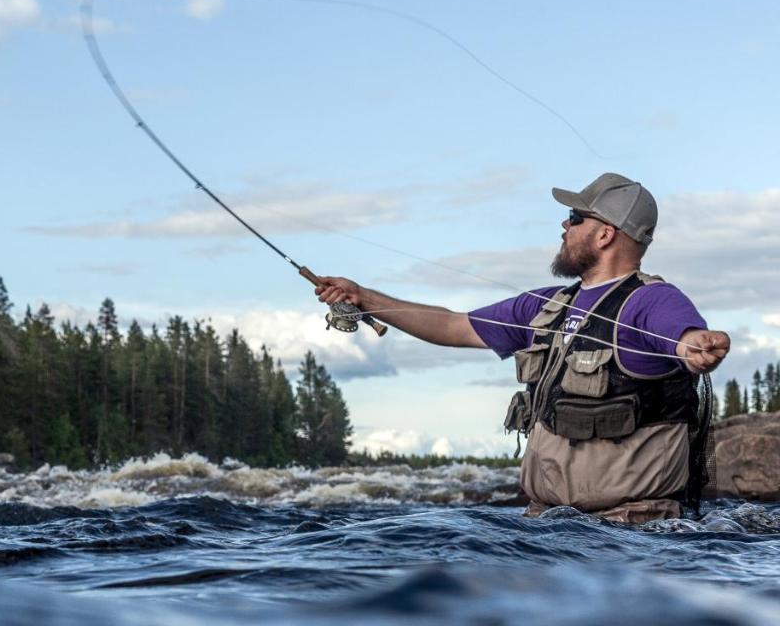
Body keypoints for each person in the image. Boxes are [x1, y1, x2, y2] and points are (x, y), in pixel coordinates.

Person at [313, 173, 730, 523]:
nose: (564, 226)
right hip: (544, 526)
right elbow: (452, 325)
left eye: (574, 217)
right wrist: (365, 297)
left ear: (605, 234)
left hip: (631, 533)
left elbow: (682, 337)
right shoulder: (542, 307)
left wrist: (694, 345)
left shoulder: (653, 301)